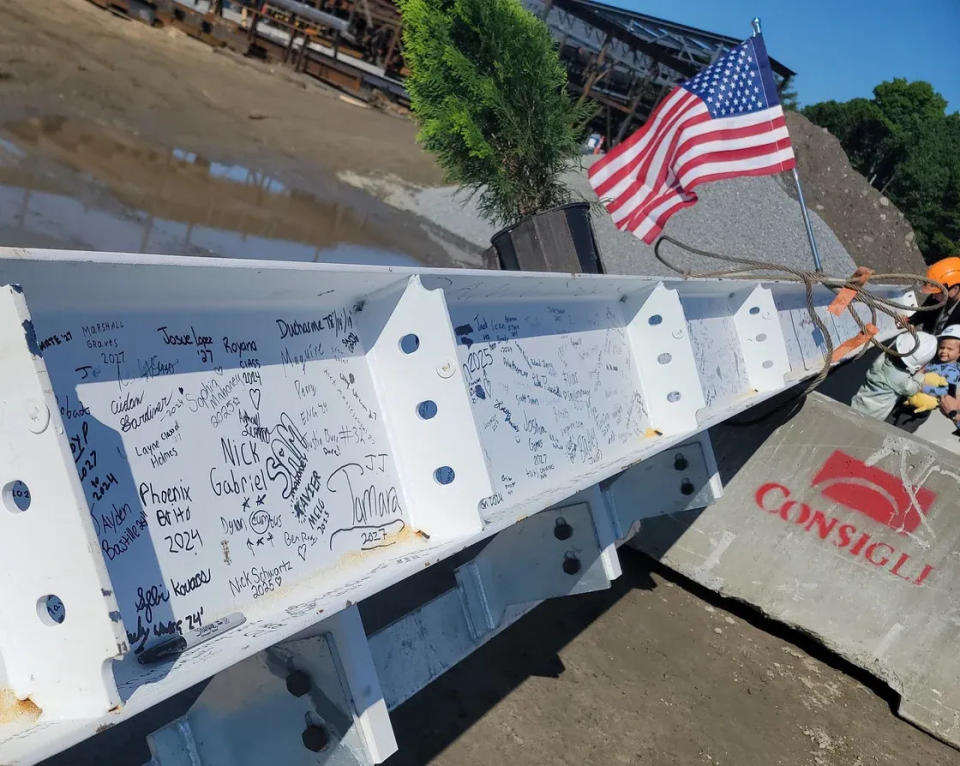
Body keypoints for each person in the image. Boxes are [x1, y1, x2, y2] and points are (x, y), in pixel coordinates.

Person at [885, 325, 960, 433]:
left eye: (949, 349)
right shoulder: (935, 362)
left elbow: (946, 392)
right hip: (908, 398)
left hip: (919, 409)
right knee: (887, 423)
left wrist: (922, 388)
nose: (944, 351)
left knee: (901, 432)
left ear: (959, 353)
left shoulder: (953, 373)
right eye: (942, 347)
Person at [850, 331, 938, 420]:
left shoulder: (880, 360)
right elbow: (914, 389)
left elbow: (890, 348)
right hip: (873, 416)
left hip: (857, 404)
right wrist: (921, 373)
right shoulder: (901, 380)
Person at [910, 256, 960, 334]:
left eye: (937, 292)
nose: (933, 296)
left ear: (955, 289)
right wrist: (909, 322)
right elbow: (920, 316)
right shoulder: (936, 299)